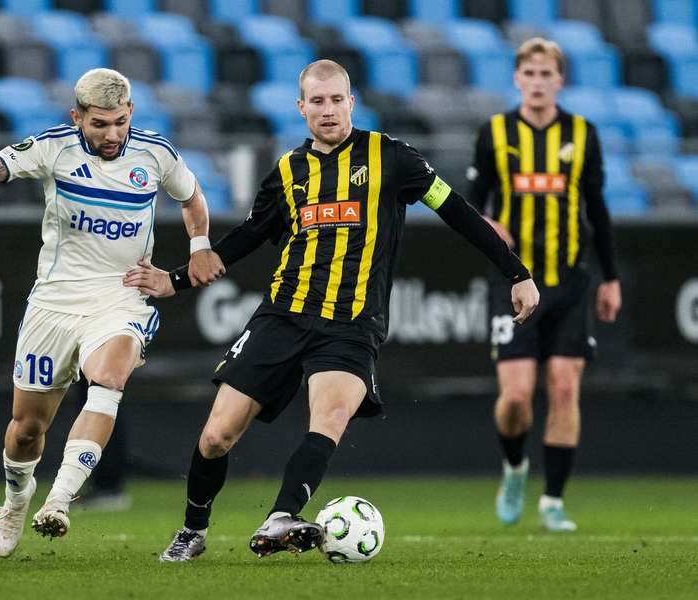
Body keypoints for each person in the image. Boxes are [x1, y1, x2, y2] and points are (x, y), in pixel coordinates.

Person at [123, 59, 540, 562]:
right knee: (216, 435)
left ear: (351, 102)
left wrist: (516, 273)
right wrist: (175, 279)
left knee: (331, 415)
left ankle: (280, 516)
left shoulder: (392, 158)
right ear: (301, 108)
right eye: (316, 101)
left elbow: (457, 212)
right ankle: (193, 530)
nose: (328, 110)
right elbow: (252, 235)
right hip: (283, 315)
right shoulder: (287, 171)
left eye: (336, 99)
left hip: (353, 322)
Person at [0, 68, 224, 558]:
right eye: (100, 124)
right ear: (76, 116)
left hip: (121, 296)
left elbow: (191, 197)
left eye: (121, 122)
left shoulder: (156, 154)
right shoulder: (53, 147)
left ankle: (60, 500)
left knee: (110, 377)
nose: (112, 134)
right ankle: (18, 497)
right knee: (26, 429)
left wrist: (200, 245)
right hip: (55, 302)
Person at [466, 39, 622, 532]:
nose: (537, 81)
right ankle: (515, 467)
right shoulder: (494, 133)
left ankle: (553, 501)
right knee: (515, 397)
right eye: (529, 73)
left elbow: (596, 210)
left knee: (562, 386)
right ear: (516, 79)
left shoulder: (582, 134)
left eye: (545, 73)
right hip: (514, 282)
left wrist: (611, 277)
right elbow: (469, 207)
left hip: (571, 280)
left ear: (560, 80)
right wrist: (489, 223)